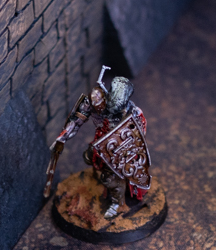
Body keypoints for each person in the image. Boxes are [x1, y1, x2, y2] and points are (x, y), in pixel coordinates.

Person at [45, 69, 153, 222]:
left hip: (120, 153)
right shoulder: (96, 101)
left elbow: (137, 138)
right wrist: (62, 137)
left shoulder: (132, 113)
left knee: (110, 179)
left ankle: (117, 203)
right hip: (101, 144)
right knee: (88, 158)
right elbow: (76, 120)